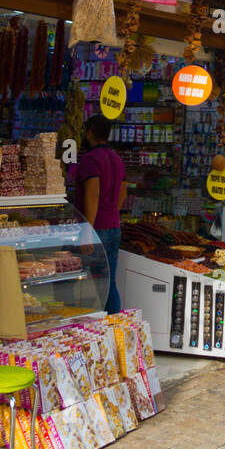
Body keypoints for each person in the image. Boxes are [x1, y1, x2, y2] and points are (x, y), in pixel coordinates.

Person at [76, 113, 127, 313]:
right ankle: (112, 325)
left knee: (97, 285)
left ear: (89, 133)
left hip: (97, 228)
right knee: (108, 281)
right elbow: (123, 193)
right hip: (113, 225)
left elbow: (93, 193)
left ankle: (107, 324)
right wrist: (111, 211)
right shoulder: (117, 159)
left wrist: (87, 230)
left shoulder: (90, 160)